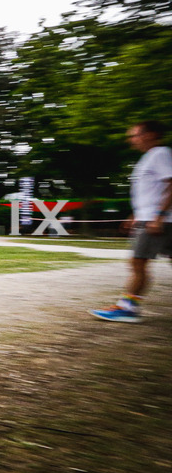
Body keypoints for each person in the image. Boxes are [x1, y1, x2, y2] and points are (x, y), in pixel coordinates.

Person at [91, 120, 172, 322]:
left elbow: (171, 184)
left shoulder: (160, 153)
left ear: (150, 134)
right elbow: (150, 191)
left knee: (137, 262)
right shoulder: (149, 157)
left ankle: (127, 308)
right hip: (151, 217)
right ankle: (128, 307)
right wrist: (135, 214)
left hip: (156, 220)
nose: (131, 140)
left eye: (134, 135)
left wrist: (159, 216)